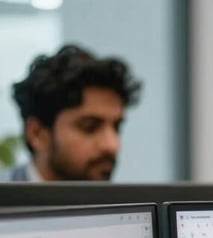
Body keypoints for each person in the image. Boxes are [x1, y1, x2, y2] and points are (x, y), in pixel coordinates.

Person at [4, 44, 141, 182]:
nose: (111, 145)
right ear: (37, 133)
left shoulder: (127, 202)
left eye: (116, 127)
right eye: (90, 127)